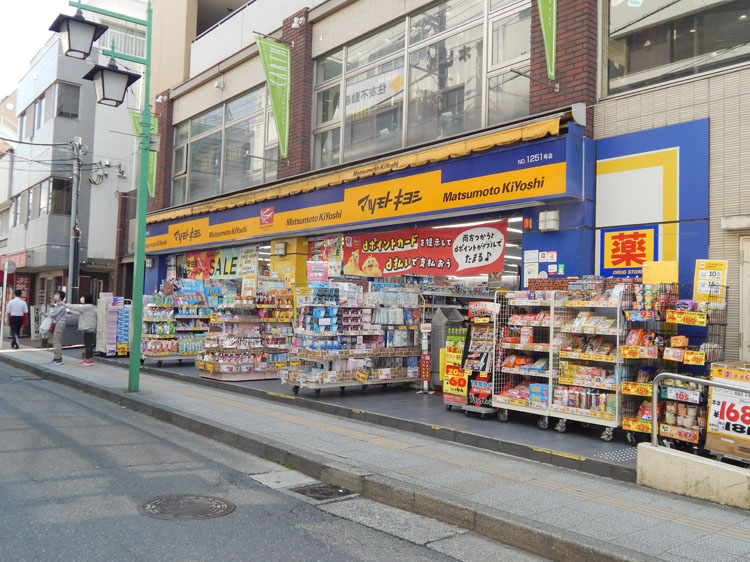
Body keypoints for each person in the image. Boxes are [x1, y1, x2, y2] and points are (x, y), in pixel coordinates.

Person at [66, 294, 97, 366]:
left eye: (83, 297)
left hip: (87, 327)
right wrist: (71, 312)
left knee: (88, 344)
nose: (82, 299)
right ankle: (89, 359)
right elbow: (79, 313)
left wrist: (65, 304)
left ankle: (88, 360)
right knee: (88, 344)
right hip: (90, 327)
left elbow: (76, 308)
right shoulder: (91, 307)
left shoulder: (87, 307)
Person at [48, 290, 67, 365]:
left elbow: (53, 314)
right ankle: (56, 358)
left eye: (57, 294)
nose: (55, 295)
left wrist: (50, 312)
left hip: (59, 324)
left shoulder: (61, 305)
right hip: (57, 323)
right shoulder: (57, 305)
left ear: (61, 297)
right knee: (55, 341)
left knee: (56, 341)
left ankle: (58, 359)